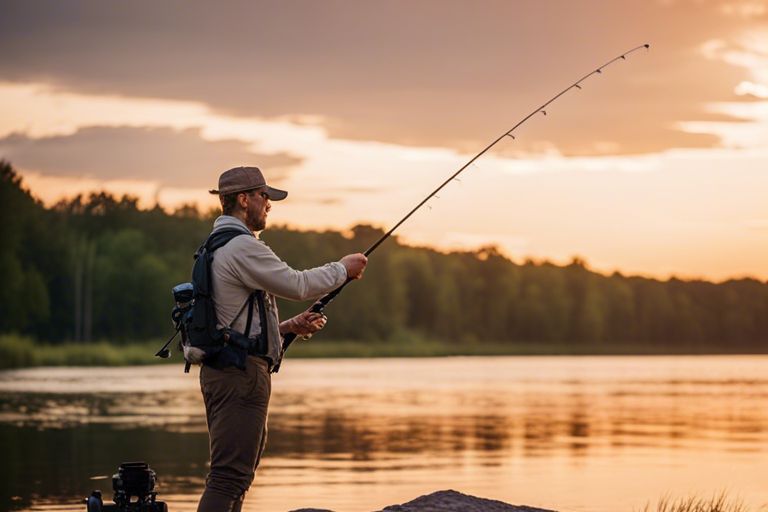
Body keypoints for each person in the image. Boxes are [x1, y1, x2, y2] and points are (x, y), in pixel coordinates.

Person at [197, 166, 367, 512]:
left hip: (227, 370)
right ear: (243, 200)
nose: (269, 204)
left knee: (236, 477)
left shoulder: (216, 245)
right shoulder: (241, 246)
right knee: (228, 478)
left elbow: (233, 321)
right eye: (264, 196)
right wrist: (342, 269)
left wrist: (288, 327)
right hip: (240, 375)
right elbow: (297, 284)